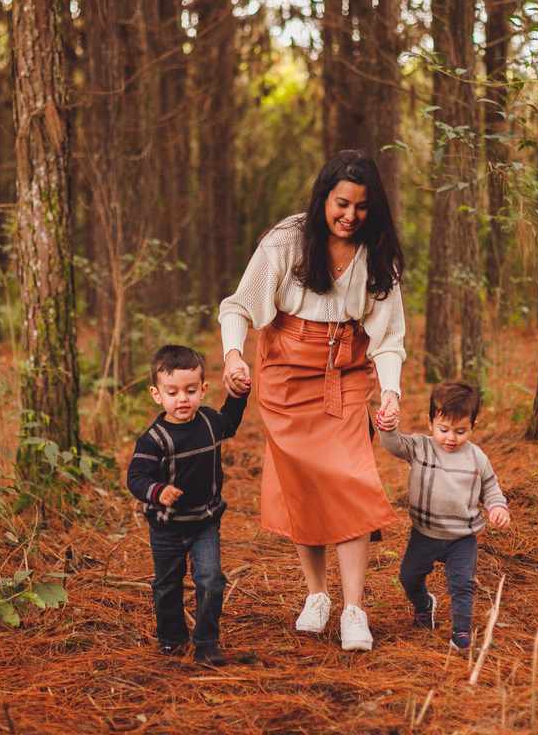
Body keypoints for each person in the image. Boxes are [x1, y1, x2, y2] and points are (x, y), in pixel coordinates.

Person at [219, 149, 405, 651]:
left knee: (350, 481)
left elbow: (389, 338)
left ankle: (354, 610)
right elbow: (238, 307)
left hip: (345, 373)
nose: (350, 216)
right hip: (285, 375)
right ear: (324, 197)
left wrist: (390, 390)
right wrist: (233, 356)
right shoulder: (287, 241)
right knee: (302, 483)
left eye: (361, 206)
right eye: (341, 204)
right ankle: (317, 595)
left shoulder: (378, 254)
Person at [126, 345, 248, 667]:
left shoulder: (208, 422)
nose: (182, 399)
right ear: (157, 394)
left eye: (190, 391)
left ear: (202, 390)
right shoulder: (154, 439)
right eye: (173, 392)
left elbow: (230, 421)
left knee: (211, 579)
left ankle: (206, 643)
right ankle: (171, 639)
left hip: (204, 523)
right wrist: (158, 491)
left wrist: (238, 394)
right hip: (166, 528)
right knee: (167, 584)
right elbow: (136, 477)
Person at [376, 378, 511, 650]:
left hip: (462, 538)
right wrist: (388, 427)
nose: (451, 438)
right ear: (430, 423)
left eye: (461, 431)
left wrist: (497, 506)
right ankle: (423, 604)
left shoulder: (476, 457)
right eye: (444, 429)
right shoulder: (420, 447)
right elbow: (394, 445)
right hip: (424, 534)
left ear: (473, 427)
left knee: (462, 584)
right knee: (409, 577)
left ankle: (461, 633)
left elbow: (490, 486)